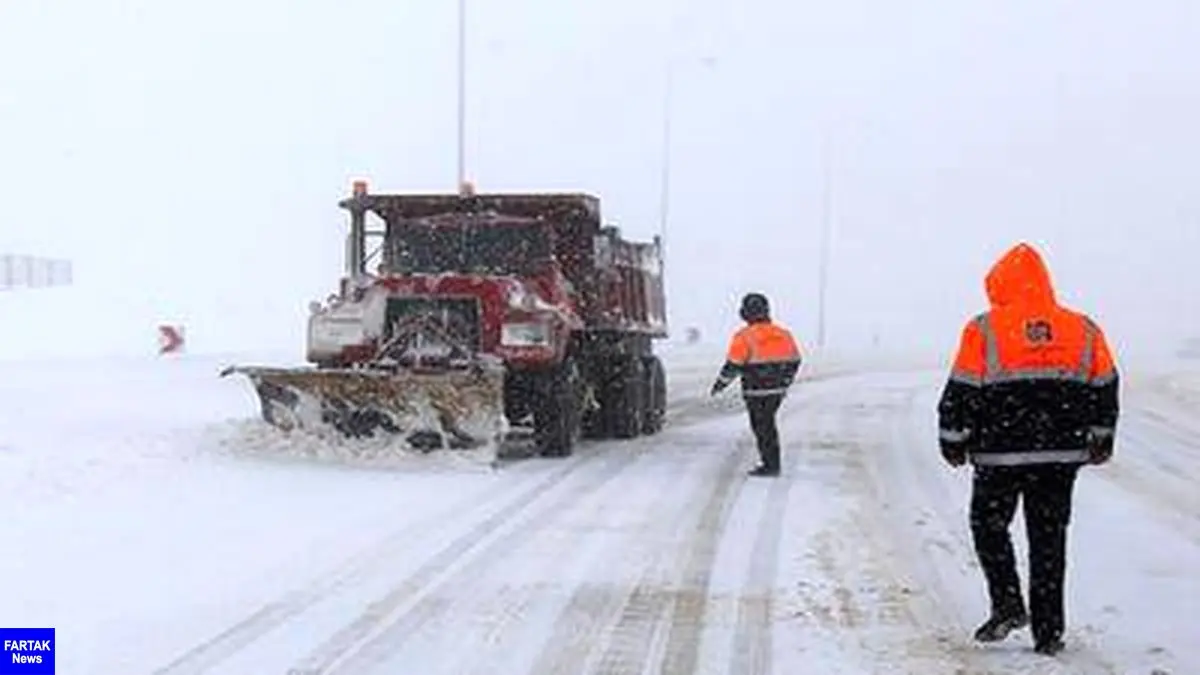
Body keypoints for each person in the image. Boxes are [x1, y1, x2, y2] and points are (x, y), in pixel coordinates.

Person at [937, 242, 1119, 656]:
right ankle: (1049, 632)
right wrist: (1101, 437)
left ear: (1000, 284)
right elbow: (1105, 385)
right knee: (1049, 538)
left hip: (999, 454)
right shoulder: (1083, 328)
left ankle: (1007, 604)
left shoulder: (983, 328)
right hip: (1060, 456)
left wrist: (953, 440)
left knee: (988, 526)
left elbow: (961, 390)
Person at [710, 292, 803, 476]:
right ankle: (771, 462)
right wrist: (785, 381)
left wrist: (720, 384)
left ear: (745, 313)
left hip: (755, 392)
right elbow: (795, 360)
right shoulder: (783, 334)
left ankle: (771, 465)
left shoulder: (744, 336)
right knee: (768, 425)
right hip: (776, 391)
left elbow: (733, 365)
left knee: (762, 428)